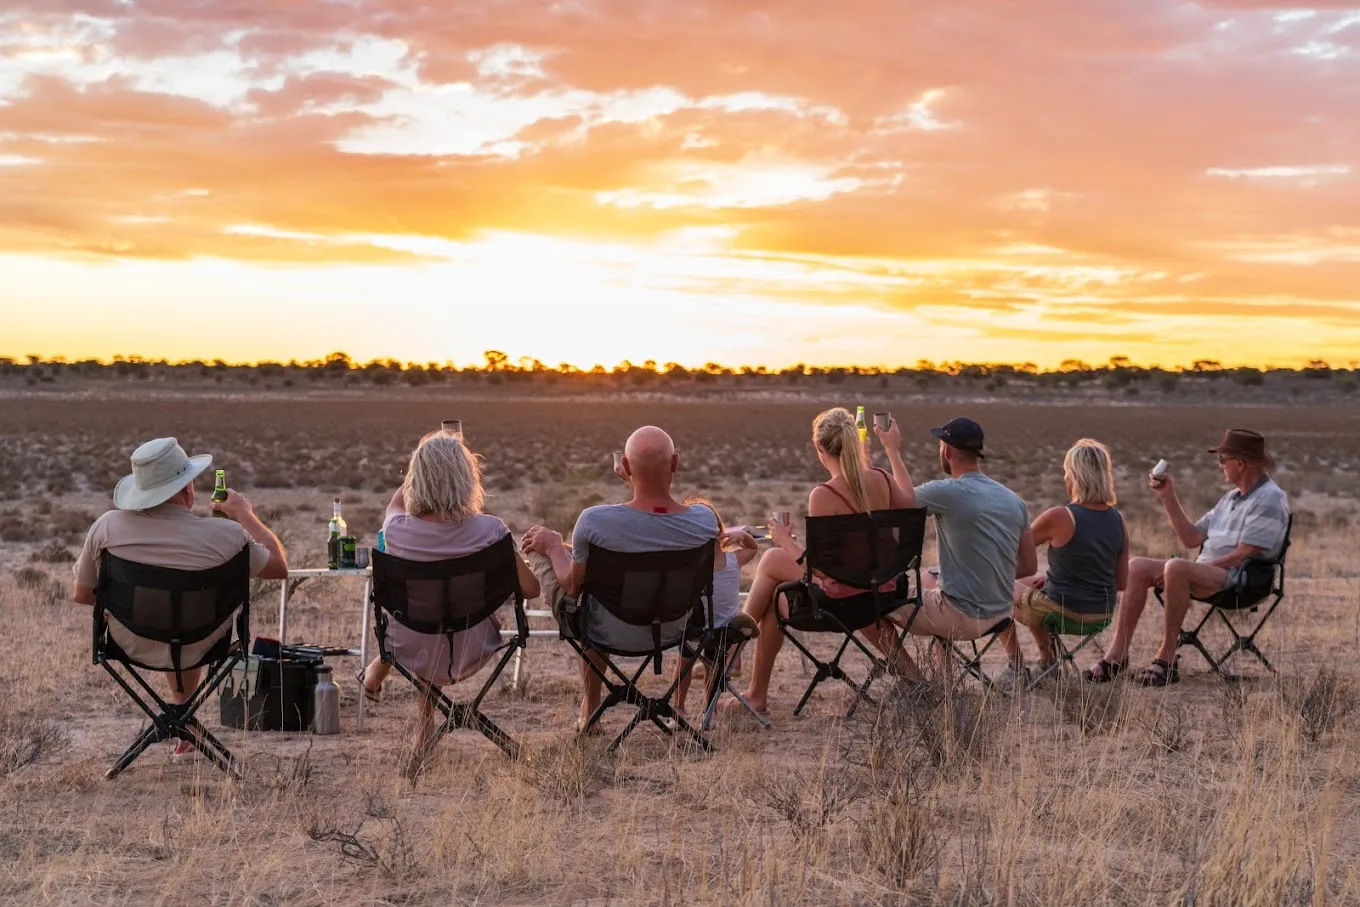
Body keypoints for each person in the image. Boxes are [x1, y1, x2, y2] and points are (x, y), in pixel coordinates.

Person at [73, 437, 288, 758]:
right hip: (203, 642)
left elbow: (82, 594)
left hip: (131, 640)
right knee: (185, 621)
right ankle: (183, 719)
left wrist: (126, 611)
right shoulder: (227, 535)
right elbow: (278, 567)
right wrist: (244, 514)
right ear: (188, 490)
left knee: (166, 615)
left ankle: (181, 717)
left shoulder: (107, 528)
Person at [521, 426, 724, 730]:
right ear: (675, 464)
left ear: (625, 467)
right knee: (599, 584)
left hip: (609, 630)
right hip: (675, 628)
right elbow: (700, 553)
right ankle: (591, 709)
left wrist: (552, 545)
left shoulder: (595, 522)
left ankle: (590, 711)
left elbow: (571, 585)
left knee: (585, 587)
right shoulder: (705, 520)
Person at [358, 432, 541, 752]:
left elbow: (394, 505)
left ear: (417, 481)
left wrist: (422, 472)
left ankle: (421, 727)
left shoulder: (398, 530)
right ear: (467, 479)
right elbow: (531, 589)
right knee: (441, 615)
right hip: (475, 643)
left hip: (415, 644)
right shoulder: (492, 530)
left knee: (428, 617)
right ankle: (422, 727)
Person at [727, 407, 918, 714]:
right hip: (881, 592)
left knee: (775, 582)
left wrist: (784, 540)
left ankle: (742, 665)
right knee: (779, 565)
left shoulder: (823, 494)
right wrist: (893, 452)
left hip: (841, 603)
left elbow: (816, 570)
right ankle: (916, 680)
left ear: (820, 449)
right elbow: (911, 504)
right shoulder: (882, 479)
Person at [1091, 429, 1290, 686]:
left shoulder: (1270, 498)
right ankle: (1117, 657)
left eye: (1222, 460)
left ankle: (1167, 659)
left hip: (1243, 581)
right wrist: (1167, 495)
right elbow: (1191, 538)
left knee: (1176, 567)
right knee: (1137, 566)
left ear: (1240, 464)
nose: (1220, 466)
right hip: (1210, 573)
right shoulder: (1229, 498)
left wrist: (1187, 570)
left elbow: (1245, 553)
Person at [875, 416, 1037, 674]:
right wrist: (988, 577)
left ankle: (914, 682)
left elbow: (901, 505)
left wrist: (891, 450)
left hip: (962, 617)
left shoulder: (946, 492)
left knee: (871, 608)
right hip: (1001, 613)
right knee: (932, 579)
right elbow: (1029, 565)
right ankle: (949, 679)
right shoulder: (1014, 500)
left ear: (947, 451)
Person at [997, 439, 1129, 685]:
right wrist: (1060, 576)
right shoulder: (1118, 520)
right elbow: (1121, 582)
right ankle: (1049, 664)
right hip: (1100, 616)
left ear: (1075, 477)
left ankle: (1017, 666)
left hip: (1065, 611)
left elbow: (1013, 548)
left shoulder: (1061, 516)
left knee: (998, 588)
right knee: (1035, 588)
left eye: (1067, 473)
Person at [671, 501, 760, 721]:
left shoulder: (688, 566)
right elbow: (753, 548)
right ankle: (708, 713)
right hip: (724, 633)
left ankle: (678, 708)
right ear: (720, 533)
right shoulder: (733, 559)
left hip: (694, 631)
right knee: (713, 665)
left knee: (684, 665)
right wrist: (742, 535)